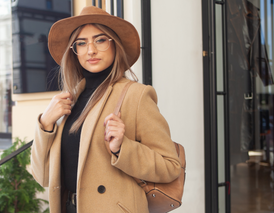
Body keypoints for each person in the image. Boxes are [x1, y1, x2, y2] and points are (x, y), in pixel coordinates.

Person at [30, 6, 181, 213]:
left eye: (100, 40)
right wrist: (45, 125)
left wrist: (122, 148)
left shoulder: (136, 96)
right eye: (81, 43)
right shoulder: (69, 102)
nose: (90, 50)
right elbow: (42, 176)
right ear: (74, 52)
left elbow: (170, 167)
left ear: (115, 45)